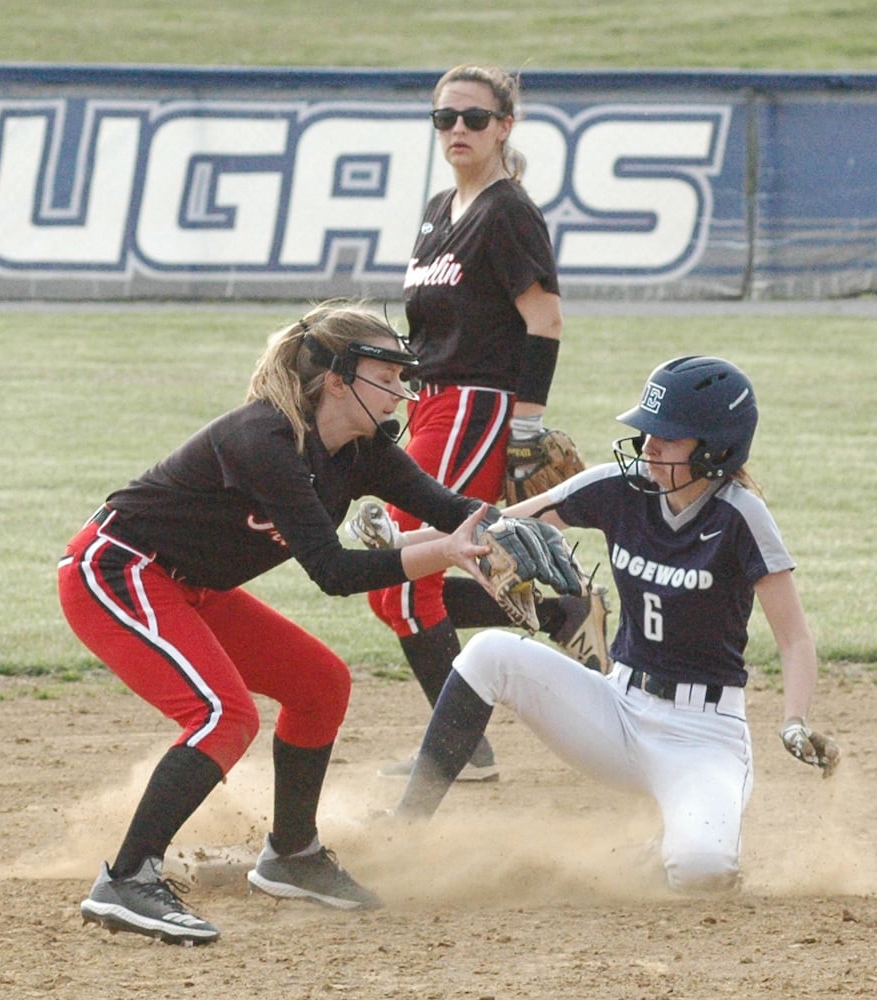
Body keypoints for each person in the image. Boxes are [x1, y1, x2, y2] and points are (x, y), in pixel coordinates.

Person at [57, 301, 516, 943]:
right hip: (118, 571)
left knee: (320, 683)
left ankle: (292, 856)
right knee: (225, 714)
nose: (401, 394)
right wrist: (443, 552)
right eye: (386, 376)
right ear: (337, 379)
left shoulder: (363, 451)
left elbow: (449, 505)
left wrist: (510, 526)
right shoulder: (264, 440)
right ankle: (126, 880)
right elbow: (330, 571)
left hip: (194, 585)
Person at [391, 355, 840, 893]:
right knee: (489, 654)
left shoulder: (740, 516)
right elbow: (494, 526)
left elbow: (794, 639)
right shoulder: (617, 488)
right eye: (647, 431)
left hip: (704, 736)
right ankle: (405, 829)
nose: (648, 446)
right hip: (618, 710)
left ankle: (669, 844)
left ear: (716, 450)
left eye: (667, 438)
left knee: (703, 870)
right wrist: (398, 544)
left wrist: (794, 719)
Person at [368, 63, 586, 783]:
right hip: (429, 404)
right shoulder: (440, 209)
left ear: (504, 126)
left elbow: (544, 318)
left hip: (475, 405)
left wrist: (527, 425)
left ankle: (466, 751)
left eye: (473, 117)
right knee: (401, 576)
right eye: (445, 119)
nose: (457, 129)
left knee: (400, 577)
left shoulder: (507, 211)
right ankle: (561, 614)